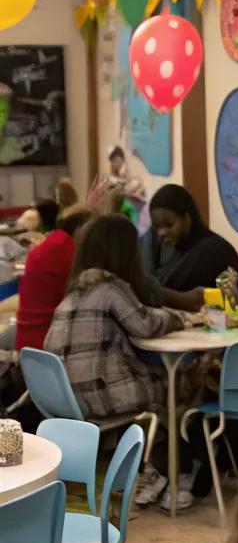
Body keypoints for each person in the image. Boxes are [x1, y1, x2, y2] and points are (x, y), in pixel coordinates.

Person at [45, 215, 191, 500]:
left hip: (69, 397)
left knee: (151, 381)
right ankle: (166, 475)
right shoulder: (110, 288)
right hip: (101, 396)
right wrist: (179, 318)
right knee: (175, 385)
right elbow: (145, 324)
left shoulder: (74, 293)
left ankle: (140, 470)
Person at [141, 184, 238, 309]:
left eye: (169, 225)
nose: (162, 233)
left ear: (187, 218)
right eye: (157, 227)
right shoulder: (180, 249)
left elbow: (166, 291)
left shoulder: (210, 250)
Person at [15, 204, 93, 352]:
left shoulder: (48, 244)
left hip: (28, 342)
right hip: (48, 343)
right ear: (79, 230)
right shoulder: (66, 251)